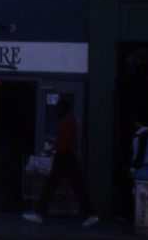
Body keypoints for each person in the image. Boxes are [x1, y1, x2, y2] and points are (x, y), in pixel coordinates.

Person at [24, 96, 100, 227]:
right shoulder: (72, 121)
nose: (56, 110)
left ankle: (40, 214)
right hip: (68, 156)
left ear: (61, 109)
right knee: (77, 186)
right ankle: (90, 214)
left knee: (51, 185)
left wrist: (56, 149)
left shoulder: (64, 122)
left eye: (58, 107)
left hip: (63, 156)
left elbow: (66, 140)